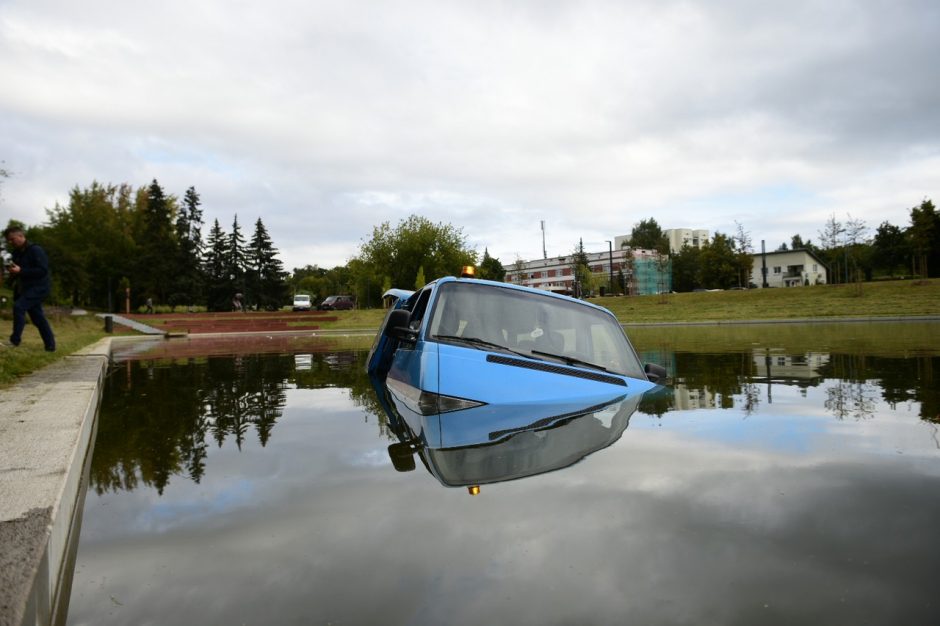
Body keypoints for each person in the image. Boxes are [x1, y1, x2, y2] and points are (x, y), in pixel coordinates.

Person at [3, 226, 56, 351]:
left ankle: (14, 341)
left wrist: (21, 270)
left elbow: (42, 271)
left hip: (39, 287)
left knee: (19, 306)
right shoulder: (16, 253)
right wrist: (11, 272)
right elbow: (17, 272)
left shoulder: (36, 250)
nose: (11, 242)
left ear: (21, 236)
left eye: (12, 239)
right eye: (8, 240)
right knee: (38, 318)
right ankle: (50, 346)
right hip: (26, 289)